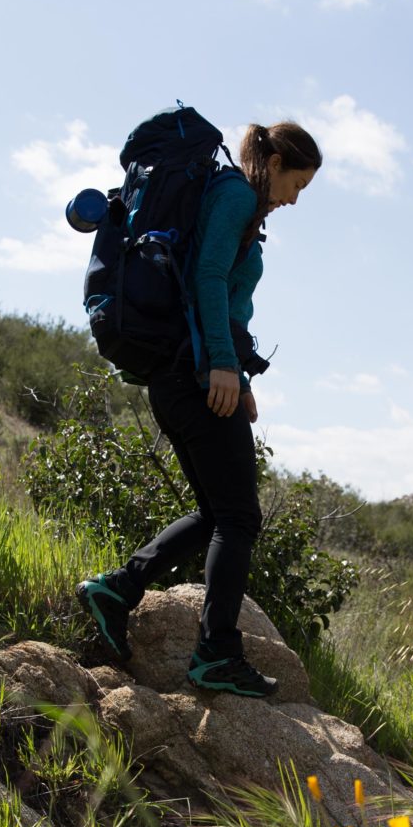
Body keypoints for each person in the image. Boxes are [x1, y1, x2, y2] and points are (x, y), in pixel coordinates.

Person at [76, 120, 322, 697]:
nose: (294, 199)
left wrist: (238, 373)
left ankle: (118, 588)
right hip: (193, 373)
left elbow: (221, 299)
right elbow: (208, 279)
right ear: (278, 162)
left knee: (218, 513)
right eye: (298, 184)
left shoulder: (236, 205)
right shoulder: (236, 194)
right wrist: (217, 364)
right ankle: (215, 653)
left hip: (181, 373)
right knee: (239, 518)